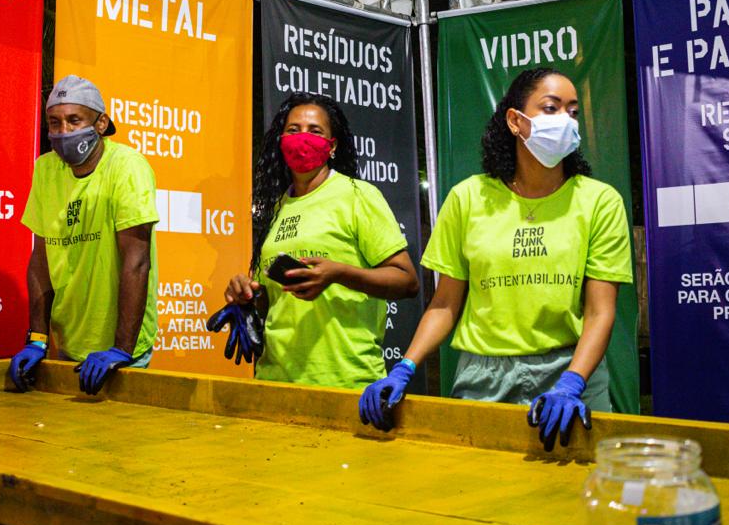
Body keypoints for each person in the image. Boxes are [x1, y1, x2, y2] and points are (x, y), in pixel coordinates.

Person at [359, 68, 633, 450]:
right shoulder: (467, 198)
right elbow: (445, 304)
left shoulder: (600, 201)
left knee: (578, 484)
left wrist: (573, 382)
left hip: (572, 374)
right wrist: (405, 367)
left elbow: (600, 312)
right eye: (551, 108)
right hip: (483, 379)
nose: (566, 121)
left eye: (572, 112)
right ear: (515, 121)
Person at [8, 75, 158, 525]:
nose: (63, 131)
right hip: (70, 342)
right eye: (54, 123)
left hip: (120, 349)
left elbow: (135, 259)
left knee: (114, 479)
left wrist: (122, 349)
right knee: (77, 473)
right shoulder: (45, 170)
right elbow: (39, 259)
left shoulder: (127, 166)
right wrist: (36, 336)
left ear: (101, 123)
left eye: (74, 120)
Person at [224, 92, 419, 388]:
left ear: (332, 146)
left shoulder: (356, 195)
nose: (303, 137)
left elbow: (407, 281)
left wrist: (338, 273)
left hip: (347, 379)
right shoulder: (276, 209)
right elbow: (274, 302)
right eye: (293, 130)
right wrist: (247, 295)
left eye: (315, 131)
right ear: (281, 140)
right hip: (275, 380)